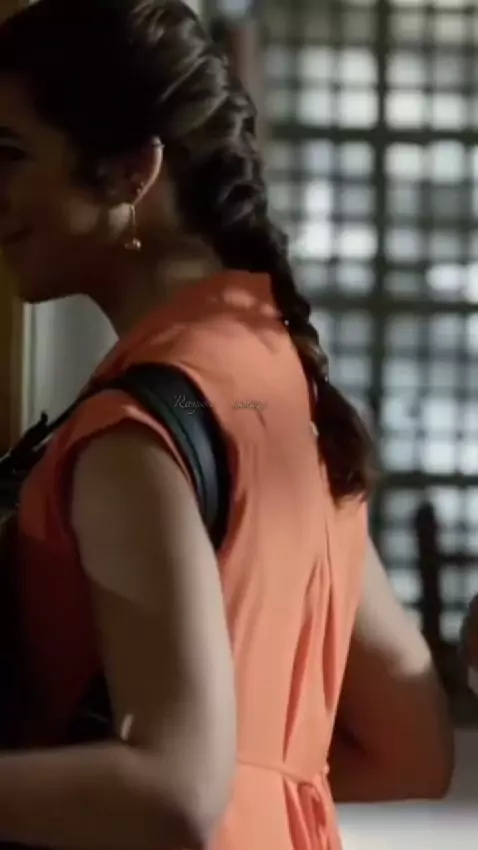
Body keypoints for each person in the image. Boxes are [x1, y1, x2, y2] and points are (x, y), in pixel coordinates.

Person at [0, 0, 453, 848]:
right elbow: (410, 749)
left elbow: (175, 790)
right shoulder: (285, 398)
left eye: (10, 155)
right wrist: (252, 779)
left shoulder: (137, 429)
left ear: (132, 170)